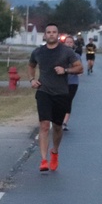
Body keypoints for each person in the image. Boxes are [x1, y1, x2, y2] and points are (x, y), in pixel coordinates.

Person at [27, 23, 83, 172]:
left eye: (54, 32)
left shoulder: (66, 51)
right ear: (44, 35)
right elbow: (31, 65)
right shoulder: (38, 52)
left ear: (58, 35)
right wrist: (32, 79)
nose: (51, 34)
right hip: (44, 91)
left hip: (61, 93)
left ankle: (55, 152)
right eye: (48, 32)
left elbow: (80, 68)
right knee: (44, 125)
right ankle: (43, 160)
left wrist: (65, 70)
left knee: (57, 127)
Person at [62, 34, 80, 131]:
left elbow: (80, 69)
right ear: (64, 44)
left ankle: (64, 122)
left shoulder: (76, 56)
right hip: (61, 82)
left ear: (73, 44)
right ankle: (58, 119)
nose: (69, 44)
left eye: (71, 42)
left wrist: (71, 70)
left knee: (68, 101)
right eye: (67, 42)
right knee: (60, 101)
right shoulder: (59, 55)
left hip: (72, 82)